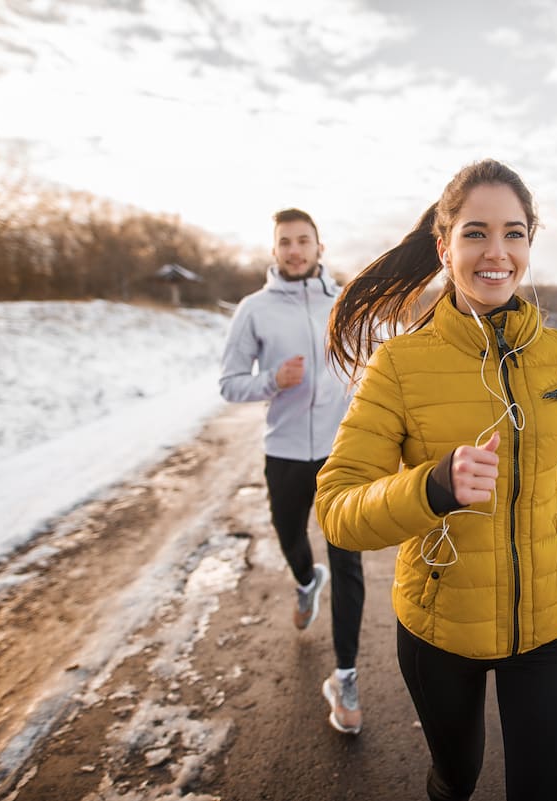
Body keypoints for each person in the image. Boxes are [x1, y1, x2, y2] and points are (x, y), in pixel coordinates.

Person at [315, 160, 557, 800]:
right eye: (476, 232)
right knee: (457, 776)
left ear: (529, 244)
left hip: (547, 623)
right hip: (440, 626)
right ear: (444, 245)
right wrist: (433, 486)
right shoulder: (399, 365)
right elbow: (338, 507)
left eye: (514, 233)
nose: (497, 252)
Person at [219, 208, 365, 735]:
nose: (296, 250)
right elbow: (230, 383)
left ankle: (345, 678)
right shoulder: (253, 311)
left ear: (319, 248)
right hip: (283, 452)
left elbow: (366, 366)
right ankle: (306, 582)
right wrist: (273, 381)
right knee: (290, 539)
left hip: (341, 455)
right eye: (286, 242)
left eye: (304, 240)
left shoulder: (345, 304)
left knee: (348, 564)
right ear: (275, 250)